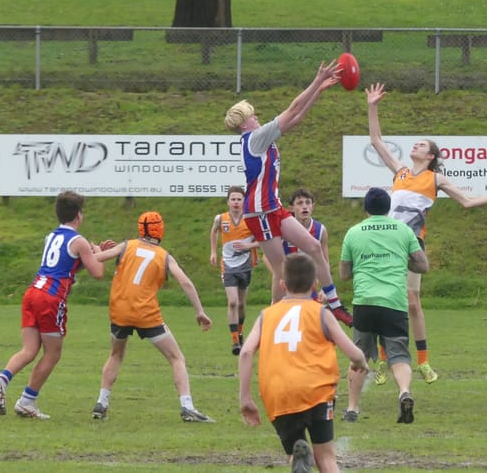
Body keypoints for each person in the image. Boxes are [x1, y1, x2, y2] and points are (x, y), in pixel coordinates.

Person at [366, 82, 487, 385]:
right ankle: (384, 360)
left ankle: (423, 361)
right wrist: (373, 105)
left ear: (432, 156)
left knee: (412, 302)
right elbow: (376, 140)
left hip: (411, 244)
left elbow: (467, 202)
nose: (416, 146)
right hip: (386, 242)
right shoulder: (399, 171)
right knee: (385, 300)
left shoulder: (436, 178)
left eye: (422, 145)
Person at [224, 60, 353, 326]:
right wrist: (316, 80)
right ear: (245, 123)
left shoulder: (262, 139)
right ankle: (276, 321)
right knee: (285, 272)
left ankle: (335, 304)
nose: (257, 117)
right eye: (253, 115)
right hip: (259, 212)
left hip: (274, 207)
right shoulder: (255, 137)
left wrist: (319, 91)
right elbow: (292, 108)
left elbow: (297, 117)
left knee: (314, 247)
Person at [238, 252, 369, 473]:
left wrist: (245, 398)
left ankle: (299, 464)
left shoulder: (266, 315)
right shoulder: (321, 313)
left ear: (282, 284)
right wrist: (361, 364)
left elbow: (246, 353)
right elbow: (354, 353)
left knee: (294, 453)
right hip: (316, 390)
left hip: (278, 393)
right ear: (315, 284)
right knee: (326, 458)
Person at [0, 190, 106, 420]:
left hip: (33, 292)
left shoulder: (50, 236)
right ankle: (27, 401)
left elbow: (68, 265)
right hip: (51, 298)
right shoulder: (79, 241)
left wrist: (91, 254)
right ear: (79, 215)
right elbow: (98, 273)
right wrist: (99, 252)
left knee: (29, 349)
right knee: (52, 353)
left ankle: (2, 379)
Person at [91, 211, 215, 422]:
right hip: (146, 314)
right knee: (176, 358)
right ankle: (187, 407)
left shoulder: (125, 246)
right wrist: (200, 311)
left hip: (119, 310)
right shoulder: (164, 256)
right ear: (160, 229)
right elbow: (185, 282)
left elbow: (94, 259)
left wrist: (95, 249)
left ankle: (101, 403)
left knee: (116, 355)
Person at [340, 187, 430, 425]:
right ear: (389, 208)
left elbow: (344, 273)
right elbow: (423, 266)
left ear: (366, 208)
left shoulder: (353, 232)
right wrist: (401, 258)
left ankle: (352, 408)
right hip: (394, 302)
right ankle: (404, 392)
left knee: (360, 358)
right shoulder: (403, 230)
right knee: (399, 356)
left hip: (365, 302)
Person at [209, 186, 260, 356]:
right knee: (232, 302)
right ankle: (235, 342)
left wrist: (249, 246)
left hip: (245, 266)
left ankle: (240, 331)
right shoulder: (220, 219)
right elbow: (214, 231)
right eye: (233, 199)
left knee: (241, 304)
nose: (236, 202)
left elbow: (262, 239)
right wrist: (213, 252)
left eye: (239, 199)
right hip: (228, 266)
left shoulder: (250, 219)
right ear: (228, 201)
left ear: (243, 201)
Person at [281, 188, 329, 301]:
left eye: (308, 202)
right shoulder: (283, 228)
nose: (304, 206)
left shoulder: (320, 230)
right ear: (291, 208)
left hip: (310, 286)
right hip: (288, 286)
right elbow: (267, 258)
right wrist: (281, 276)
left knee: (310, 317)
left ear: (313, 206)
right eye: (300, 203)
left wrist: (325, 288)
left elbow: (325, 262)